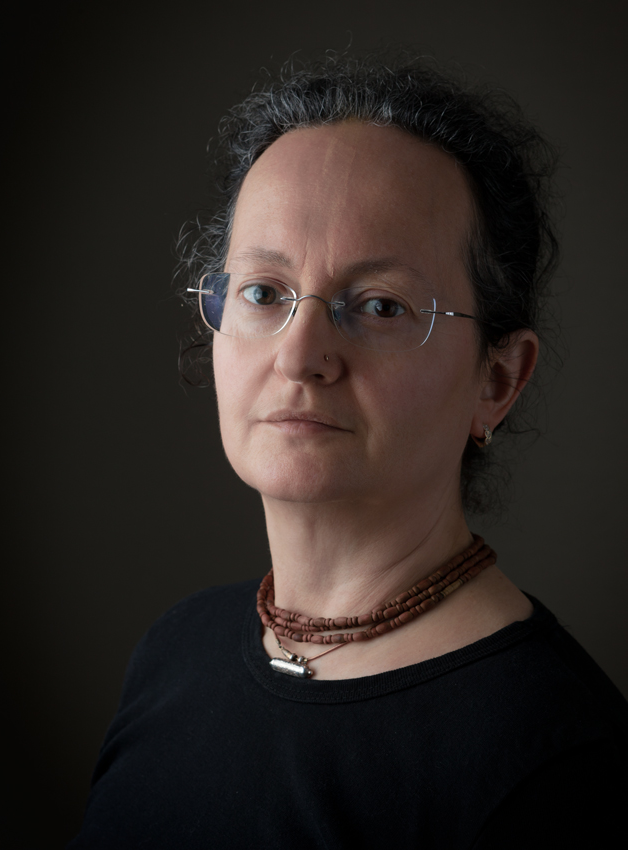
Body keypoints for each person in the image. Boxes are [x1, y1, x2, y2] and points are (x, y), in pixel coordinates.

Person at [69, 53, 628, 848]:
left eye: (379, 305)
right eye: (263, 292)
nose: (300, 356)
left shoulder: (559, 763)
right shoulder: (175, 651)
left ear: (497, 379)